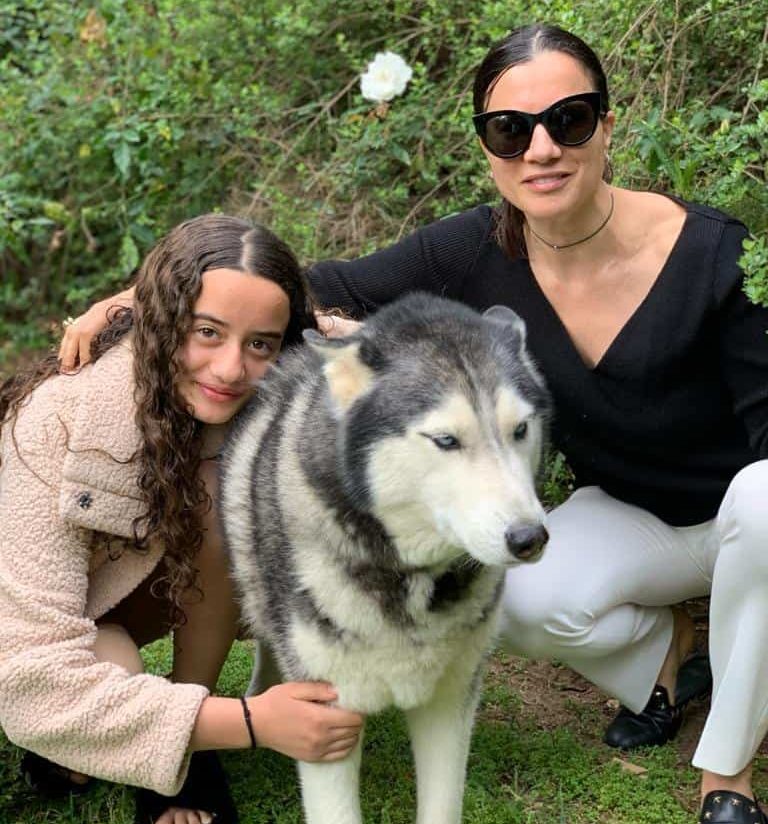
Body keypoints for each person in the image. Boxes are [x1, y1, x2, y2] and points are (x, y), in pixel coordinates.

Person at [57, 24, 768, 824]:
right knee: (519, 596)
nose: (541, 149)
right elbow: (303, 284)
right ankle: (669, 655)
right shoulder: (478, 247)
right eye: (511, 129)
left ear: (608, 125)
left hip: (745, 510)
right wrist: (136, 300)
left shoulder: (715, 254)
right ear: (487, 147)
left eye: (568, 119)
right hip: (635, 513)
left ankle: (727, 771)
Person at [0, 214, 364, 824]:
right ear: (162, 320)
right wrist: (252, 722)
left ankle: (182, 745)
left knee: (227, 490)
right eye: (205, 332)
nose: (229, 370)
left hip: (113, 598)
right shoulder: (58, 419)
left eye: (260, 345)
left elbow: (393, 346)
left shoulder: (276, 352)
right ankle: (161, 739)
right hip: (26, 619)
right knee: (69, 709)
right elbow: (26, 677)